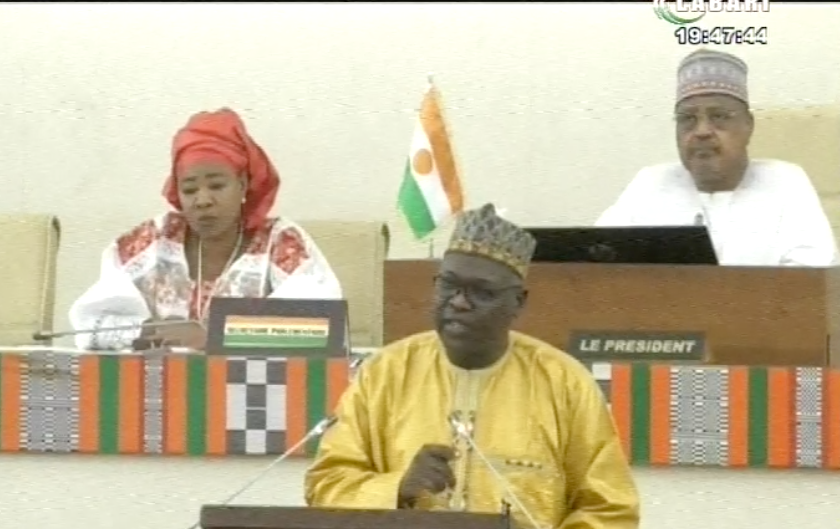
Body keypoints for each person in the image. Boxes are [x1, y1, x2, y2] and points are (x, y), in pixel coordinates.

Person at [305, 204, 639, 529]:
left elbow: (610, 511)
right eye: (448, 285)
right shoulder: (385, 373)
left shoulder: (565, 383)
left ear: (518, 302)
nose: (459, 301)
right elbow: (326, 486)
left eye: (482, 292)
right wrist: (398, 487)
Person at [69, 108, 342, 351]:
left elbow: (322, 328)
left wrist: (217, 336)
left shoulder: (280, 244)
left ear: (243, 184)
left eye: (216, 186)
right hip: (159, 388)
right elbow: (89, 324)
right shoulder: (153, 242)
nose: (202, 200)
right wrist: (144, 331)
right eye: (189, 190)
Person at [595, 48, 838, 267]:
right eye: (687, 119)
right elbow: (594, 262)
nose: (701, 131)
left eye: (719, 116)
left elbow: (812, 282)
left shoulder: (785, 181)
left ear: (748, 126)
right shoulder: (650, 183)